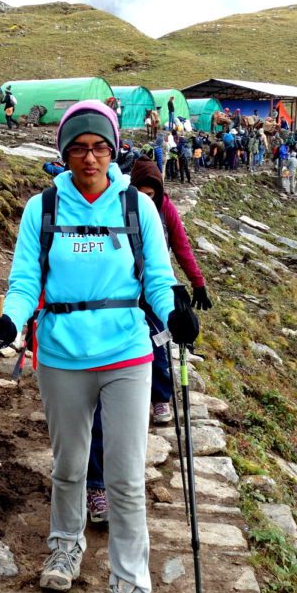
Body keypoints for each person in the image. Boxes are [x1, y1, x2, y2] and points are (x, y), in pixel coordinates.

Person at [0, 101, 199, 593]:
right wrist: (10, 321)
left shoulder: (137, 207)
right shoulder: (43, 208)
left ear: (113, 150)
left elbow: (159, 280)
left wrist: (174, 317)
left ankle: (128, 582)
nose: (89, 158)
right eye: (78, 148)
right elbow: (24, 280)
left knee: (124, 478)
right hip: (60, 354)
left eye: (99, 147)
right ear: (63, 153)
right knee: (70, 466)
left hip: (126, 352)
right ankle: (64, 547)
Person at [85, 155, 209, 524]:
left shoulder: (164, 210)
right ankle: (95, 484)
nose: (147, 199)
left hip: (153, 290)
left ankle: (161, 396)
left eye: (153, 193)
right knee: (96, 413)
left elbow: (181, 246)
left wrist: (194, 283)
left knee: (159, 343)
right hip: (116, 300)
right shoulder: (115, 207)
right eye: (142, 191)